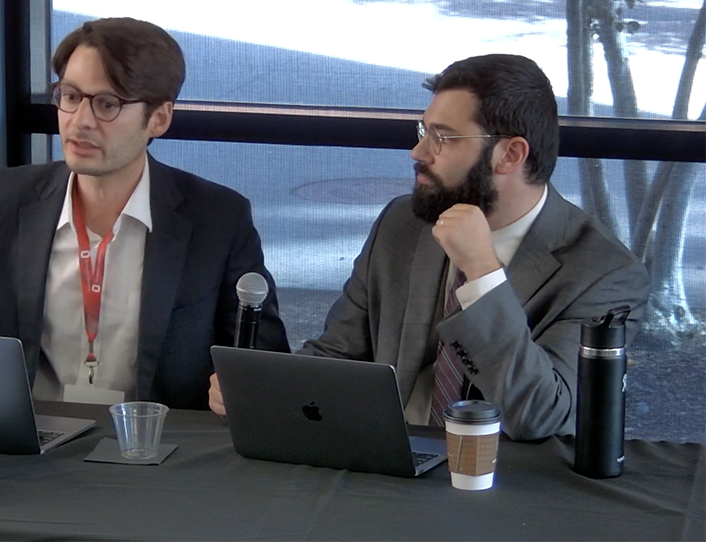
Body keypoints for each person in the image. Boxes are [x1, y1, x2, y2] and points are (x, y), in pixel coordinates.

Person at [210, 54, 649, 441]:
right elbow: (339, 355)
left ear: (510, 154)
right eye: (424, 130)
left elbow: (539, 415)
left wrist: (483, 273)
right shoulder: (404, 223)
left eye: (443, 137)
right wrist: (262, 388)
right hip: (387, 464)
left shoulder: (603, 274)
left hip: (503, 490)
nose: (417, 151)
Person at [0, 17, 290, 410]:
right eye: (70, 97)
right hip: (31, 447)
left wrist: (246, 389)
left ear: (158, 118)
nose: (80, 121)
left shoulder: (217, 218)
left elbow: (265, 360)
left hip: (159, 452)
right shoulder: (4, 200)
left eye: (107, 104)